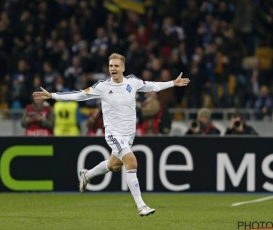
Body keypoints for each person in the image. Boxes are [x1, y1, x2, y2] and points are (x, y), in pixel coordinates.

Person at [33, 53, 190, 216]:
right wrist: (52, 96)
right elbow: (79, 95)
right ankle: (141, 206)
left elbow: (153, 86)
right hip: (114, 134)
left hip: (129, 135)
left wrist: (173, 83)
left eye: (116, 66)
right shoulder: (102, 86)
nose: (113, 69)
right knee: (132, 162)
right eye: (110, 66)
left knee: (114, 165)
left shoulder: (132, 82)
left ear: (123, 67)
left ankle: (87, 175)